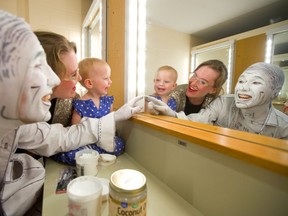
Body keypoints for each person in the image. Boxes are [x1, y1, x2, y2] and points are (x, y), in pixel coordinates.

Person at [0, 10, 143, 216]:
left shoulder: (24, 116)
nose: (78, 80)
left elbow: (60, 136)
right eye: (73, 74)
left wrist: (115, 116)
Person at [146, 62, 288, 139]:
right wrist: (170, 113)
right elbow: (200, 119)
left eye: (256, 83)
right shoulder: (223, 103)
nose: (244, 87)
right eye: (241, 80)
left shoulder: (283, 127)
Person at [51, 58, 125, 165]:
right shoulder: (80, 103)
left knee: (119, 144)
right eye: (106, 78)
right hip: (86, 143)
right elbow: (75, 130)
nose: (110, 81)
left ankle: (93, 156)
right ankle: (94, 156)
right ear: (89, 83)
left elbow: (111, 124)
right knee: (71, 154)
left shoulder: (108, 101)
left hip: (105, 140)